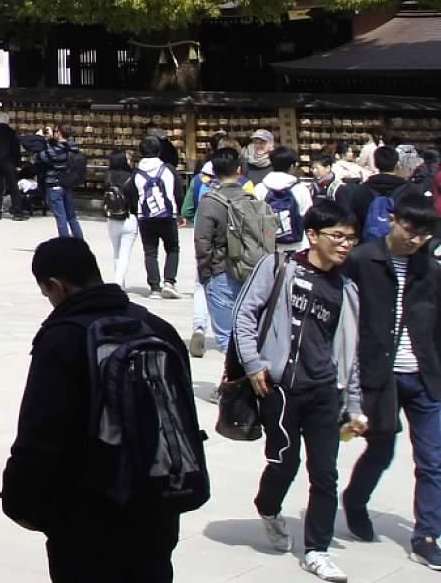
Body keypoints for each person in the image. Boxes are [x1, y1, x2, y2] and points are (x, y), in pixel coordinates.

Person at [1, 237, 198, 582]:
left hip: (87, 513)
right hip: (157, 505)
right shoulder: (157, 328)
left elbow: (41, 432)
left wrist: (19, 500)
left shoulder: (63, 337)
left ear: (55, 286)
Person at [235, 201, 364, 580]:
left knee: (325, 474)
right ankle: (268, 506)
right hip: (280, 387)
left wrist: (353, 402)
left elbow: (352, 352)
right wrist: (254, 363)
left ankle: (317, 550)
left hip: (324, 390)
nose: (344, 245)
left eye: (351, 239)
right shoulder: (278, 267)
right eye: (336, 236)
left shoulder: (346, 289)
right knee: (284, 462)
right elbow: (245, 314)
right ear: (312, 236)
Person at [339, 194, 440, 569]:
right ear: (393, 220)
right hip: (379, 375)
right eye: (410, 231)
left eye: (424, 235)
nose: (415, 240)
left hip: (425, 377)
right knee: (381, 451)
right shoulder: (363, 261)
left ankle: (427, 534)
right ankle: (355, 501)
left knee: (434, 460)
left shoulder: (430, 270)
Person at [195, 148, 279, 359]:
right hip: (250, 268)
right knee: (246, 331)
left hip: (220, 270)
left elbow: (202, 241)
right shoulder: (251, 198)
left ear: (213, 170)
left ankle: (233, 382)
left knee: (226, 335)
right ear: (240, 170)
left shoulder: (210, 202)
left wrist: (204, 274)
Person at [134, 137, 184, 300]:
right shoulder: (168, 169)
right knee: (172, 248)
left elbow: (130, 193)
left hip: (145, 216)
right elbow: (178, 192)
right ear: (159, 151)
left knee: (150, 252)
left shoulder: (136, 172)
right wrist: (180, 212)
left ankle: (154, 287)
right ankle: (169, 282)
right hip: (167, 215)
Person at [103, 148, 140, 288]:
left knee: (117, 252)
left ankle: (121, 282)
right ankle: (118, 282)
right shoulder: (132, 176)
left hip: (112, 217)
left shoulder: (108, 176)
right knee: (124, 254)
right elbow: (135, 199)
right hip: (129, 217)